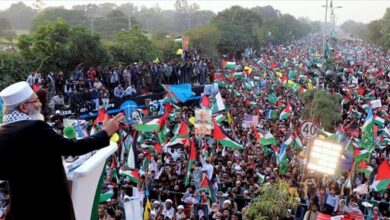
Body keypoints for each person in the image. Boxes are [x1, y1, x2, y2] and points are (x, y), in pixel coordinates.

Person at [0, 81, 124, 220]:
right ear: (23, 107)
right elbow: (73, 147)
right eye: (36, 100)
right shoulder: (35, 128)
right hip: (50, 207)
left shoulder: (2, 134)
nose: (40, 104)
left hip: (21, 210)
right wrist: (105, 133)